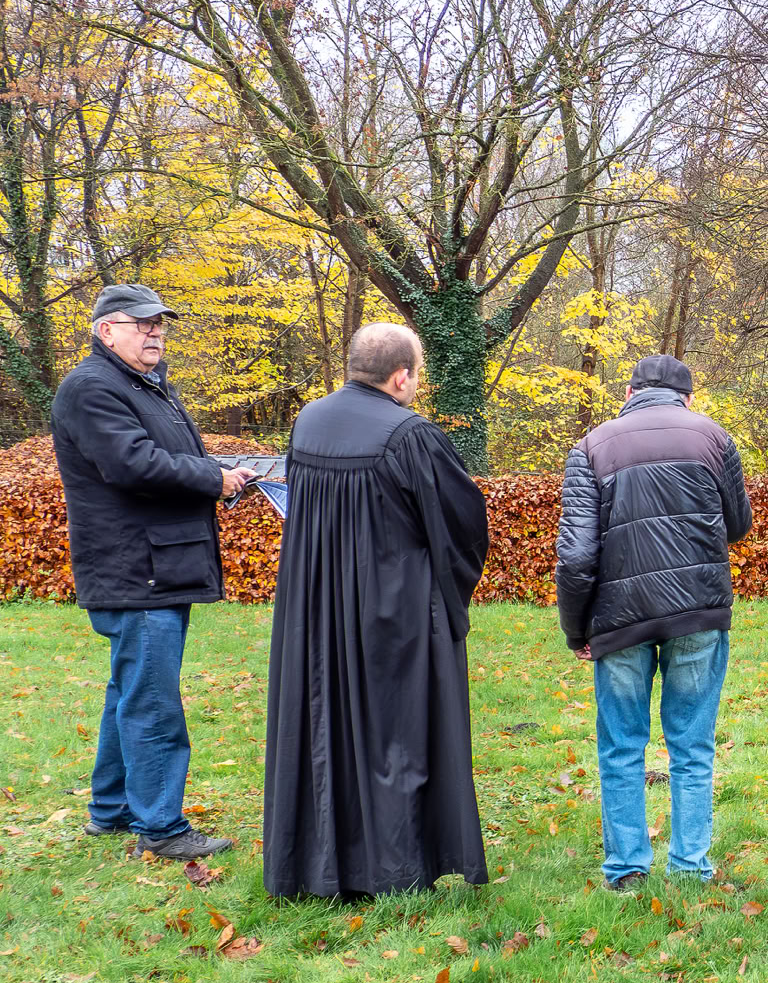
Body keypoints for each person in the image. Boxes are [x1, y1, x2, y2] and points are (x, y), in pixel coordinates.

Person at [263, 323, 490, 898]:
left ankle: (317, 866)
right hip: (393, 609)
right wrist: (448, 591)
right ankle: (394, 869)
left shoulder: (309, 419)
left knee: (324, 722)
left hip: (315, 607)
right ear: (401, 377)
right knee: (396, 730)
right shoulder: (409, 434)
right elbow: (463, 522)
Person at [51, 283, 254, 860]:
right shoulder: (92, 387)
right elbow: (131, 464)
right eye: (141, 323)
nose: (155, 331)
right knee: (152, 702)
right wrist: (214, 479)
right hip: (137, 571)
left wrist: (221, 471)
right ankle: (162, 829)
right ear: (104, 330)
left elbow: (167, 457)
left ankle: (111, 810)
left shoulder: (147, 387)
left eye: (159, 322)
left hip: (157, 564)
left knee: (129, 691)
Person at [554, 354, 752, 891]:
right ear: (689, 397)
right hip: (698, 610)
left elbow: (574, 556)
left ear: (629, 390)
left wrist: (577, 630)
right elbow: (738, 524)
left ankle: (626, 870)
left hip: (619, 619)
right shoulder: (714, 438)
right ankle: (689, 866)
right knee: (692, 745)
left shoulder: (591, 445)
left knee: (621, 746)